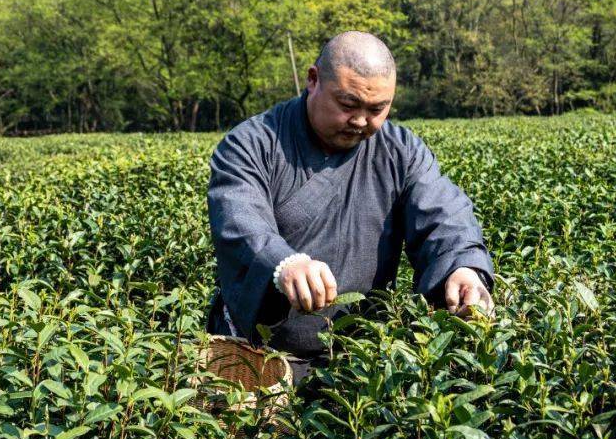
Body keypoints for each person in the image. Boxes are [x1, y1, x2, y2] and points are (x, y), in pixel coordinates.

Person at [207, 31, 494, 382]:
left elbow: (443, 214)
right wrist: (283, 263)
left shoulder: (401, 151)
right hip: (256, 357)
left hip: (360, 360)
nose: (360, 121)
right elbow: (239, 217)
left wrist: (463, 267)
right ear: (313, 80)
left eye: (377, 109)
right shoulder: (250, 144)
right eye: (347, 104)